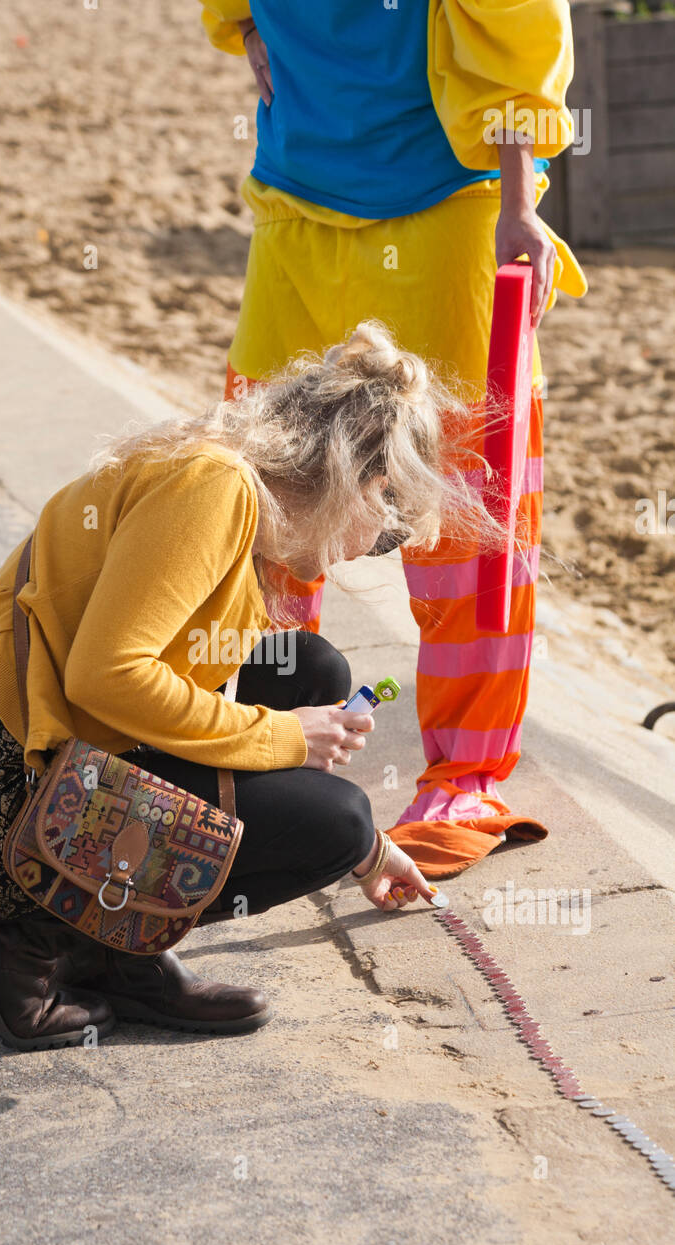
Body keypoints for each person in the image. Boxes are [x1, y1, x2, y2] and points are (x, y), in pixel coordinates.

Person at [0, 322, 500, 1052]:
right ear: (366, 485)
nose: (366, 553)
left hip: (3, 751)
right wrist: (288, 744)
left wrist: (371, 851)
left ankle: (120, 951)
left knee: (311, 672)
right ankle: (27, 945)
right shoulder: (215, 489)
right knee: (335, 820)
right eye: (385, 533)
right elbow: (110, 675)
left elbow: (151, 683)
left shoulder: (232, 483)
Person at [201, 0, 588, 879]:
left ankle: (466, 774)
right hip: (294, 200)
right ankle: (266, 745)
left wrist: (520, 203)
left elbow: (517, 24)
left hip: (446, 206)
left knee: (463, 511)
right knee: (262, 495)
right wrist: (251, 30)